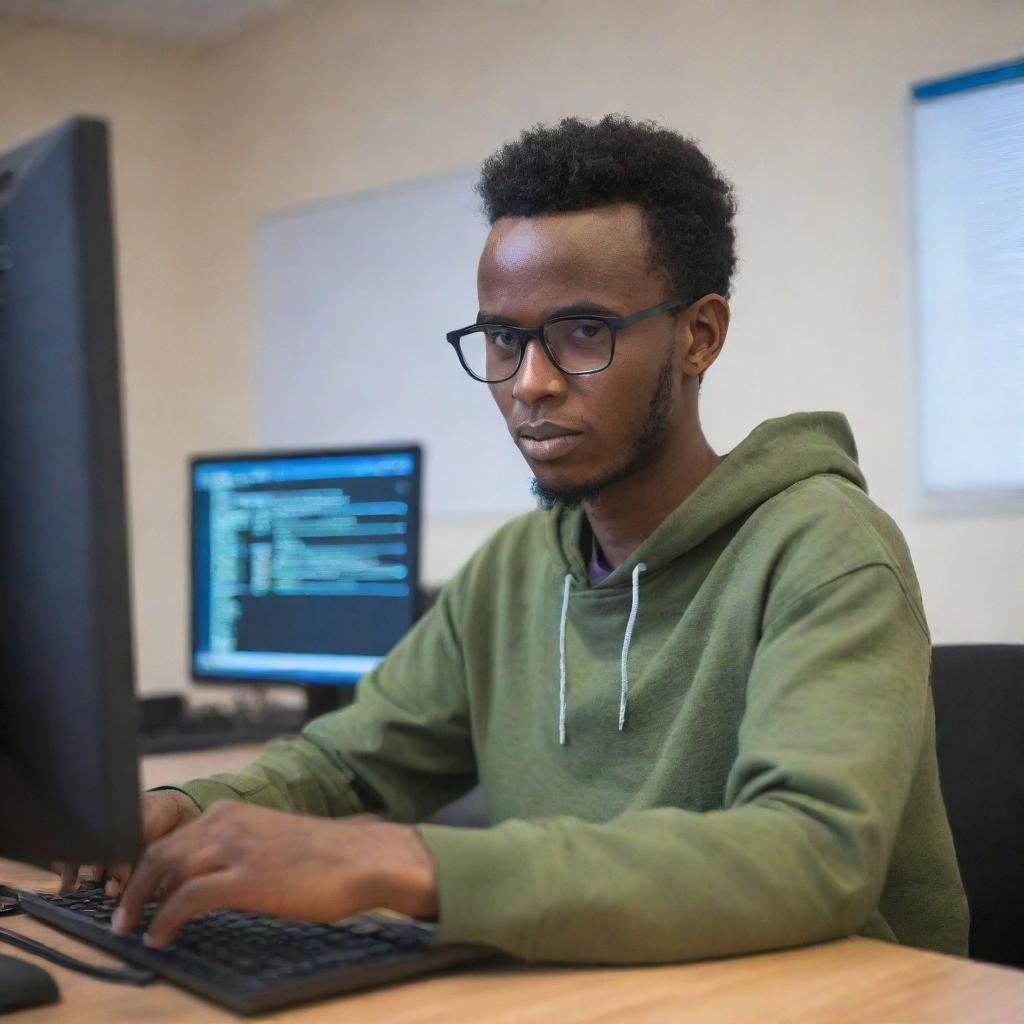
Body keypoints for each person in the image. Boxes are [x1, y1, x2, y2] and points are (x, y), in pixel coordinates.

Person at [70, 115, 968, 961]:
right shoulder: (511, 569)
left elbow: (811, 857)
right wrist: (189, 807)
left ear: (699, 336)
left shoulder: (823, 548)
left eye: (583, 331)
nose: (529, 383)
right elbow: (348, 765)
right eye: (504, 338)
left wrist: (420, 866)